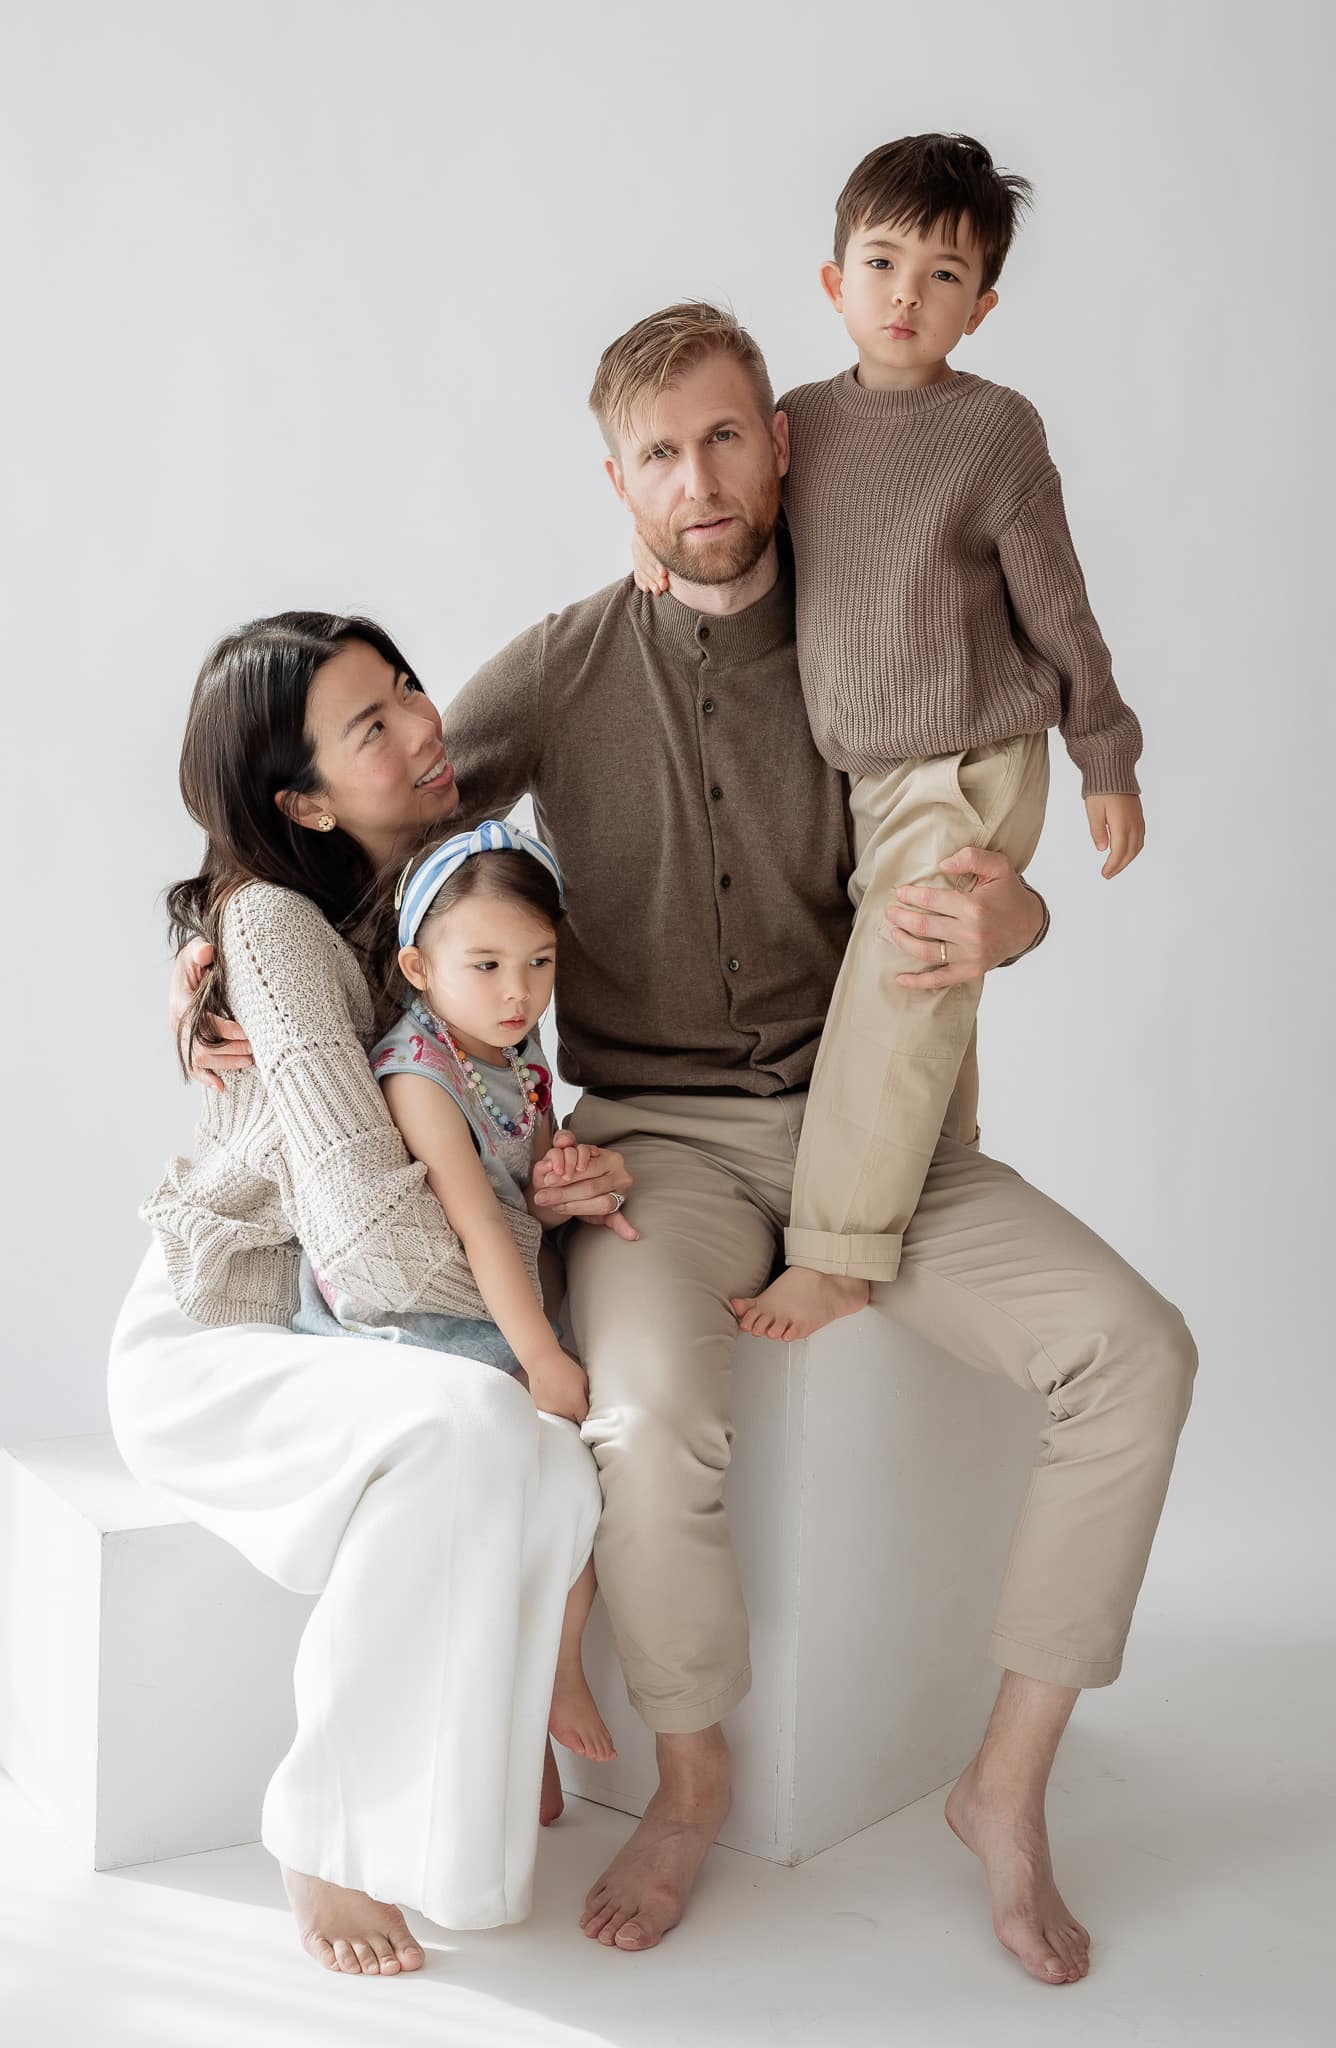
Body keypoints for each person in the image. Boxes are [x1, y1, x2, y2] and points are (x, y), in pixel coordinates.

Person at [182, 313, 1196, 1986]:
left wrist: (1018, 918)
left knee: (1138, 1351)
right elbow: (389, 827)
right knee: (647, 1424)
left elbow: (972, 848)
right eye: (659, 453)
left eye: (726, 437)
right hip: (659, 1150)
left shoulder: (884, 647)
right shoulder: (563, 667)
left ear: (780, 445)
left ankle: (1007, 1789)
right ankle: (692, 1772)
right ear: (617, 482)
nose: (698, 480)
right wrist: (218, 937)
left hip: (885, 1136)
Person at [111, 612, 631, 1978]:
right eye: (372, 727)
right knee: (474, 1423)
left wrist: (545, 1193)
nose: (423, 728)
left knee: (547, 1457)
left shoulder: (444, 882)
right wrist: (522, 1259)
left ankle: (477, 1787)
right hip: (230, 1327)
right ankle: (323, 1832)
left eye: (409, 690)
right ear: (302, 801)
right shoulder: (274, 922)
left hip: (359, 1321)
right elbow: (371, 1242)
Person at [632, 133, 1147, 1345]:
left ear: (983, 307)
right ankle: (928, 1197)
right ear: (835, 281)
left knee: (904, 977)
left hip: (971, 754)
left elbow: (1060, 606)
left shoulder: (995, 431)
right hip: (864, 775)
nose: (907, 295)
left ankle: (839, 1253)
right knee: (920, 991)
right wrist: (652, 541)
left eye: (944, 275)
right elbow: (729, 507)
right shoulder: (803, 422)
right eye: (882, 264)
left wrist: (1106, 753)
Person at [295, 815, 622, 1762]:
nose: (518, 992)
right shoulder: (420, 1076)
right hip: (422, 1312)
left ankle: (553, 1678)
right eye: (485, 966)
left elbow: (524, 1191)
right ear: (418, 967)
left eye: (539, 962)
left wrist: (560, 1185)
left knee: (578, 1482)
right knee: (534, 1468)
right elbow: (477, 1224)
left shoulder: (513, 1050)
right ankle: (528, 1702)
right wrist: (542, 1357)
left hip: (498, 1291)